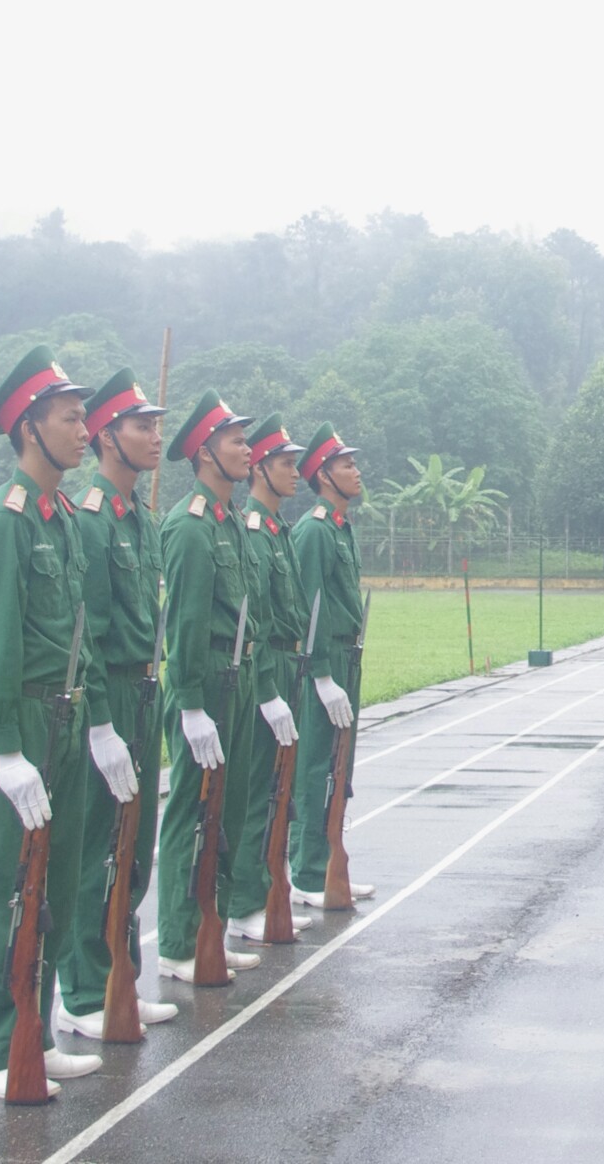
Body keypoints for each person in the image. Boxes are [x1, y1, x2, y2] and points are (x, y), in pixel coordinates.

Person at [0, 345, 103, 1098]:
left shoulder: (63, 519)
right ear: (28, 430)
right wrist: (7, 749)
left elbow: (81, 633)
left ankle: (31, 1036)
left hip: (65, 720)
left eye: (83, 419)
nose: (86, 431)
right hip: (19, 726)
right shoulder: (2, 524)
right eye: (70, 419)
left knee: (53, 885)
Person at [53, 368, 178, 1041]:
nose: (155, 436)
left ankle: (119, 978)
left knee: (133, 851)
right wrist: (100, 721)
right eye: (141, 426)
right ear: (106, 438)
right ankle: (83, 993)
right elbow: (89, 633)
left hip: (145, 692)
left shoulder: (142, 517)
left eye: (158, 426)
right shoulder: (94, 521)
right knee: (98, 846)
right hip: (111, 696)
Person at [153, 390, 266, 984]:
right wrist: (191, 705)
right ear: (203, 453)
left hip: (239, 676)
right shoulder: (191, 527)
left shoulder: (230, 522)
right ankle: (178, 940)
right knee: (192, 811)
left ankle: (211, 930)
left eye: (246, 440)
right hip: (207, 685)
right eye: (234, 441)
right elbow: (187, 624)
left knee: (228, 810)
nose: (246, 450)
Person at [225, 415, 310, 943]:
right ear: (259, 468)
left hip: (287, 660)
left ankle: (262, 891)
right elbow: (254, 614)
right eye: (285, 464)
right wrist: (270, 689)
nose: (296, 473)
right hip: (266, 665)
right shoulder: (254, 531)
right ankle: (244, 900)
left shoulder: (277, 530)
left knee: (278, 790)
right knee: (258, 789)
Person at [288, 421, 374, 909]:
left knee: (339, 769)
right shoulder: (314, 532)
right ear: (323, 475)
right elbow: (309, 609)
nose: (355, 471)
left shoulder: (339, 528)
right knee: (316, 764)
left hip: (348, 655)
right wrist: (321, 674)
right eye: (346, 464)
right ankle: (306, 871)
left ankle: (329, 864)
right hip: (327, 661)